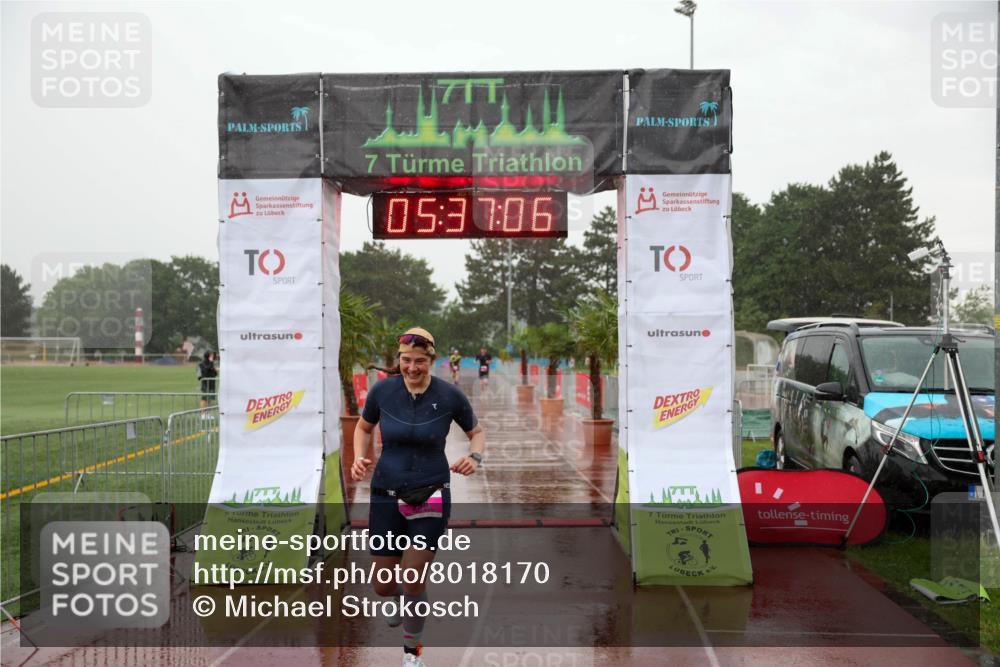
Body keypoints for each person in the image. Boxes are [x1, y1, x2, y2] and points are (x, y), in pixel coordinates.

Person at [350, 327, 485, 667]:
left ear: (432, 361)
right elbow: (363, 427)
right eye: (406, 360)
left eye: (420, 361)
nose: (412, 367)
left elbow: (477, 433)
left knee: (413, 578)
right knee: (383, 586)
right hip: (385, 493)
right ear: (399, 360)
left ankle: (413, 653)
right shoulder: (383, 391)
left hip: (431, 493)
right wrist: (357, 457)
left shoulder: (450, 396)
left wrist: (475, 456)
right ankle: (396, 599)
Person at [197, 351, 218, 416]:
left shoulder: (211, 364)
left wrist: (213, 369)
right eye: (211, 356)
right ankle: (203, 413)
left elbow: (215, 373)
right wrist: (211, 364)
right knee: (204, 398)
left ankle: (207, 413)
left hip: (211, 383)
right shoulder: (202, 364)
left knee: (209, 399)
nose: (213, 357)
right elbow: (205, 372)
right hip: (205, 384)